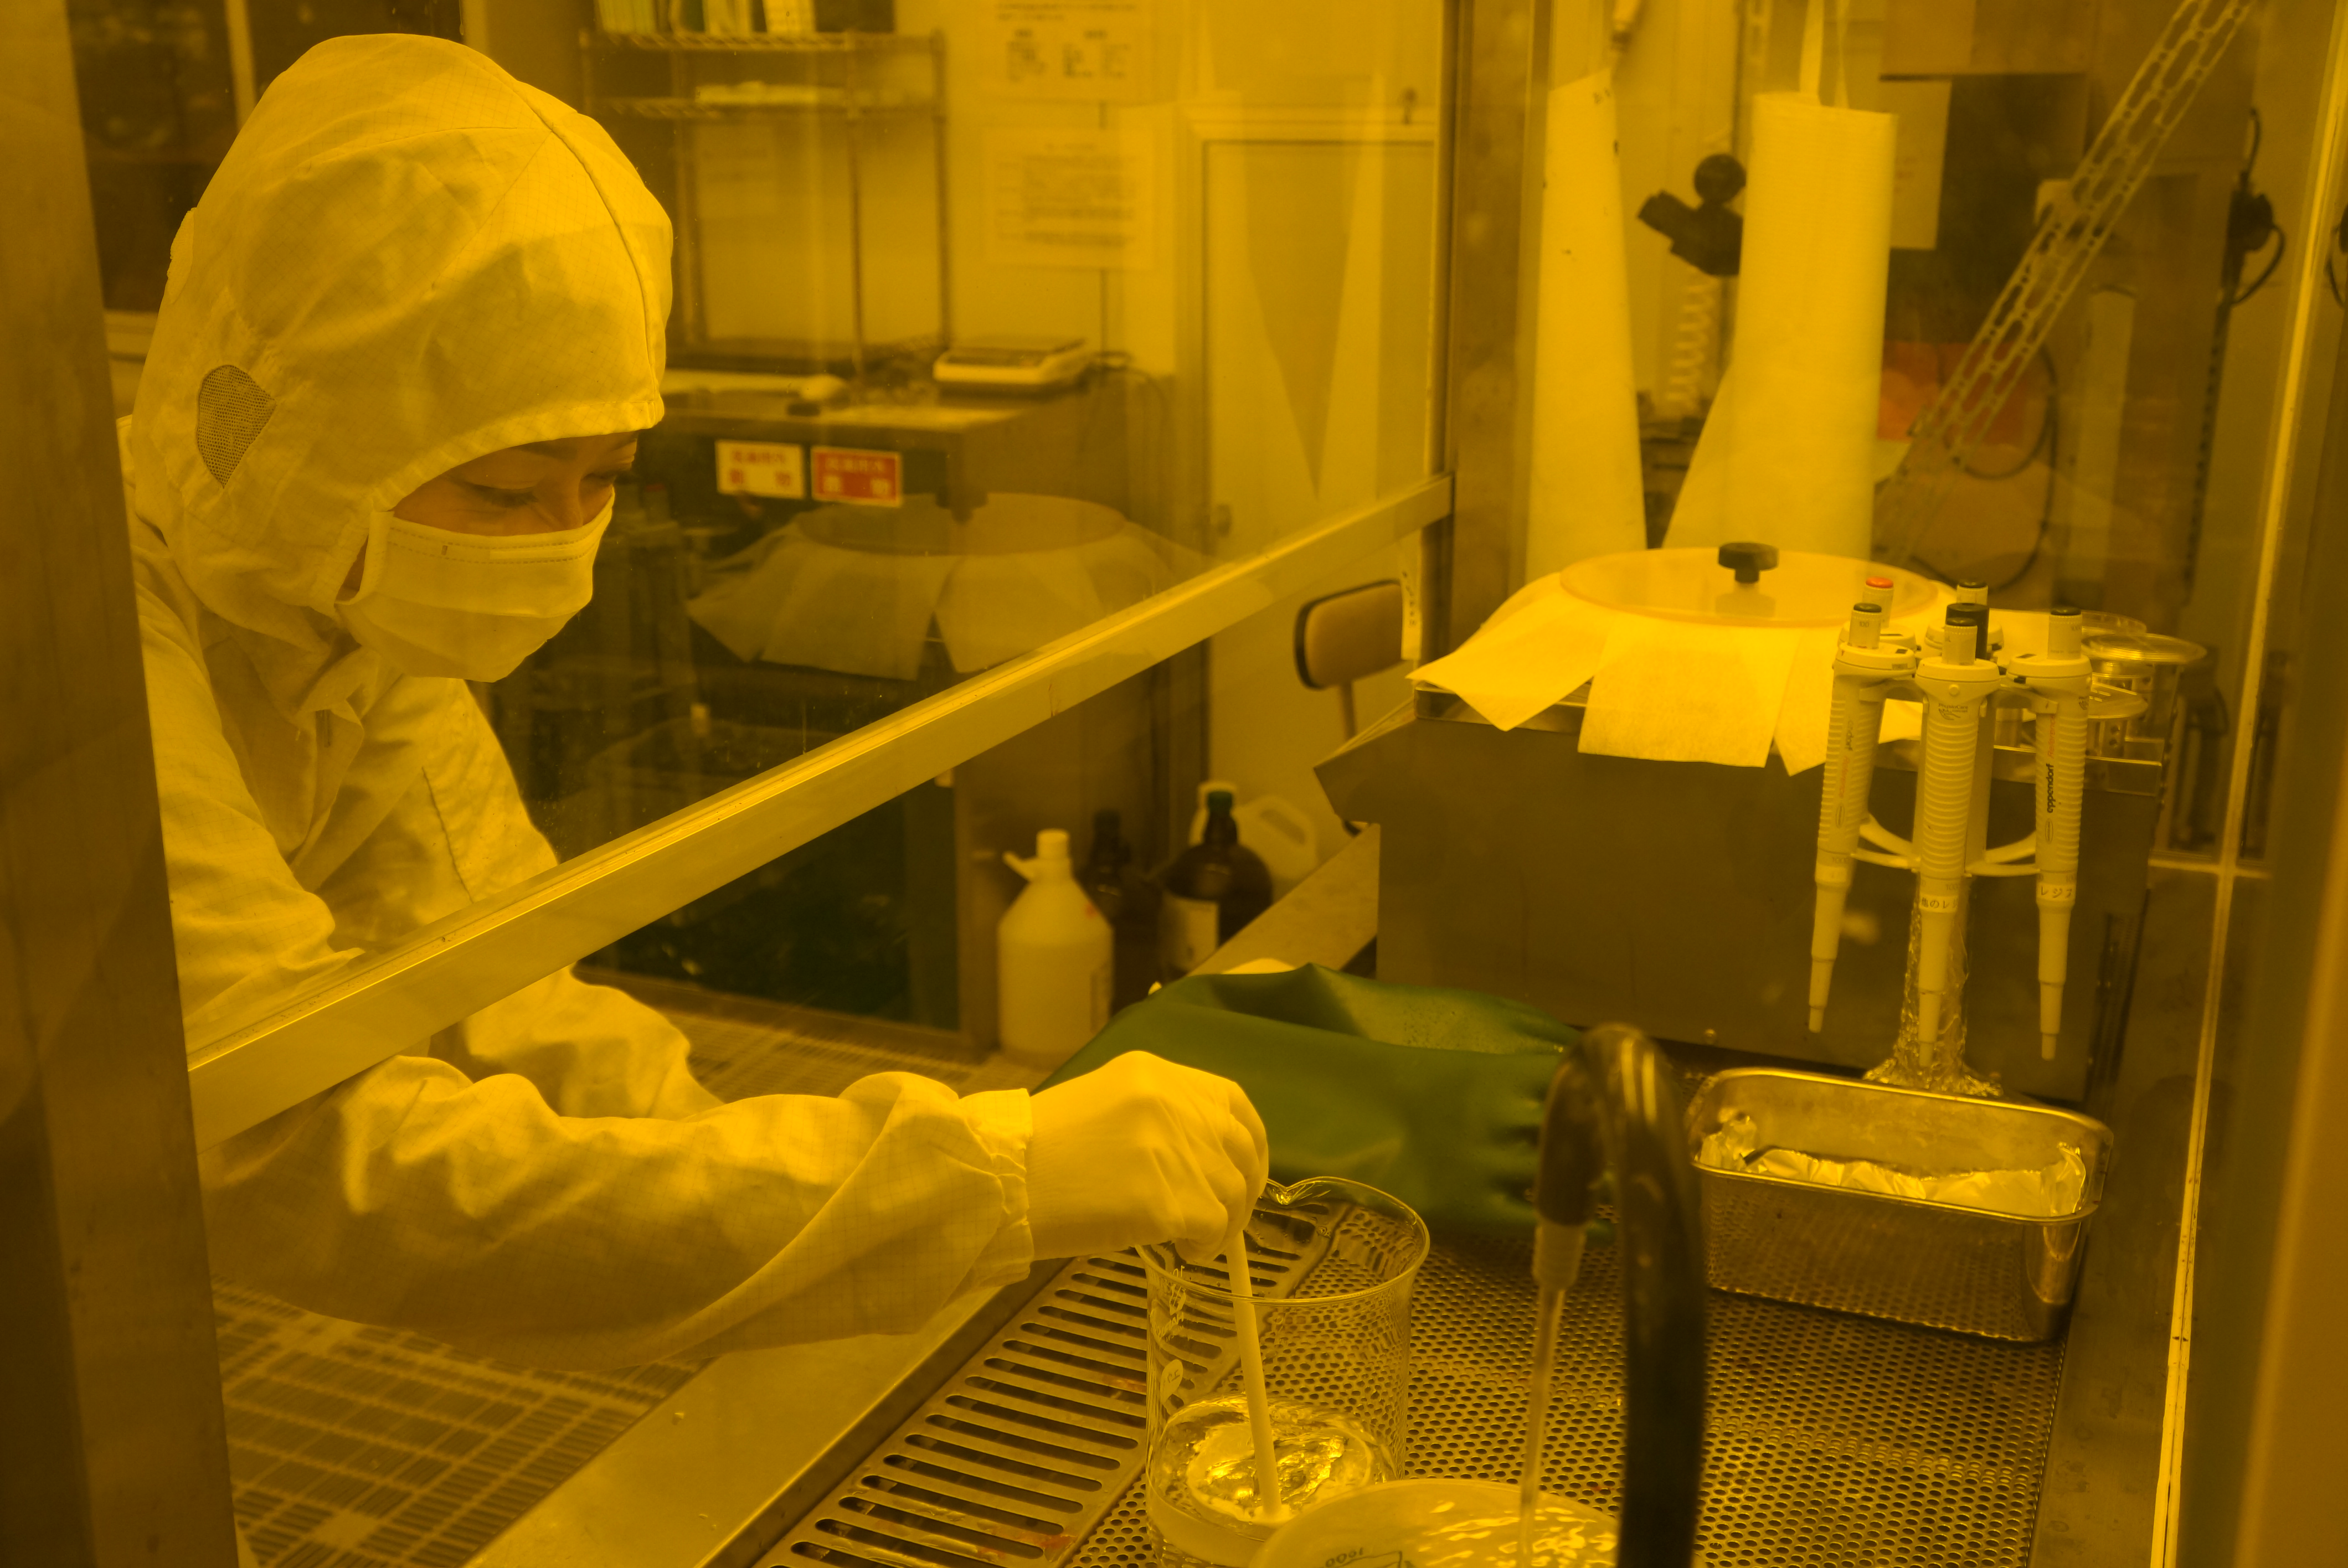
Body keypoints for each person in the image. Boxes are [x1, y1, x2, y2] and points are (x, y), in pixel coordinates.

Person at [127, 33, 1266, 1371]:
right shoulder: (88, 650)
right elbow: (295, 1155)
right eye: (502, 492)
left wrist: (784, 1181)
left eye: (603, 479)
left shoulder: (331, 606)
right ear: (271, 432)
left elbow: (499, 998)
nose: (559, 543)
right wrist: (975, 1177)